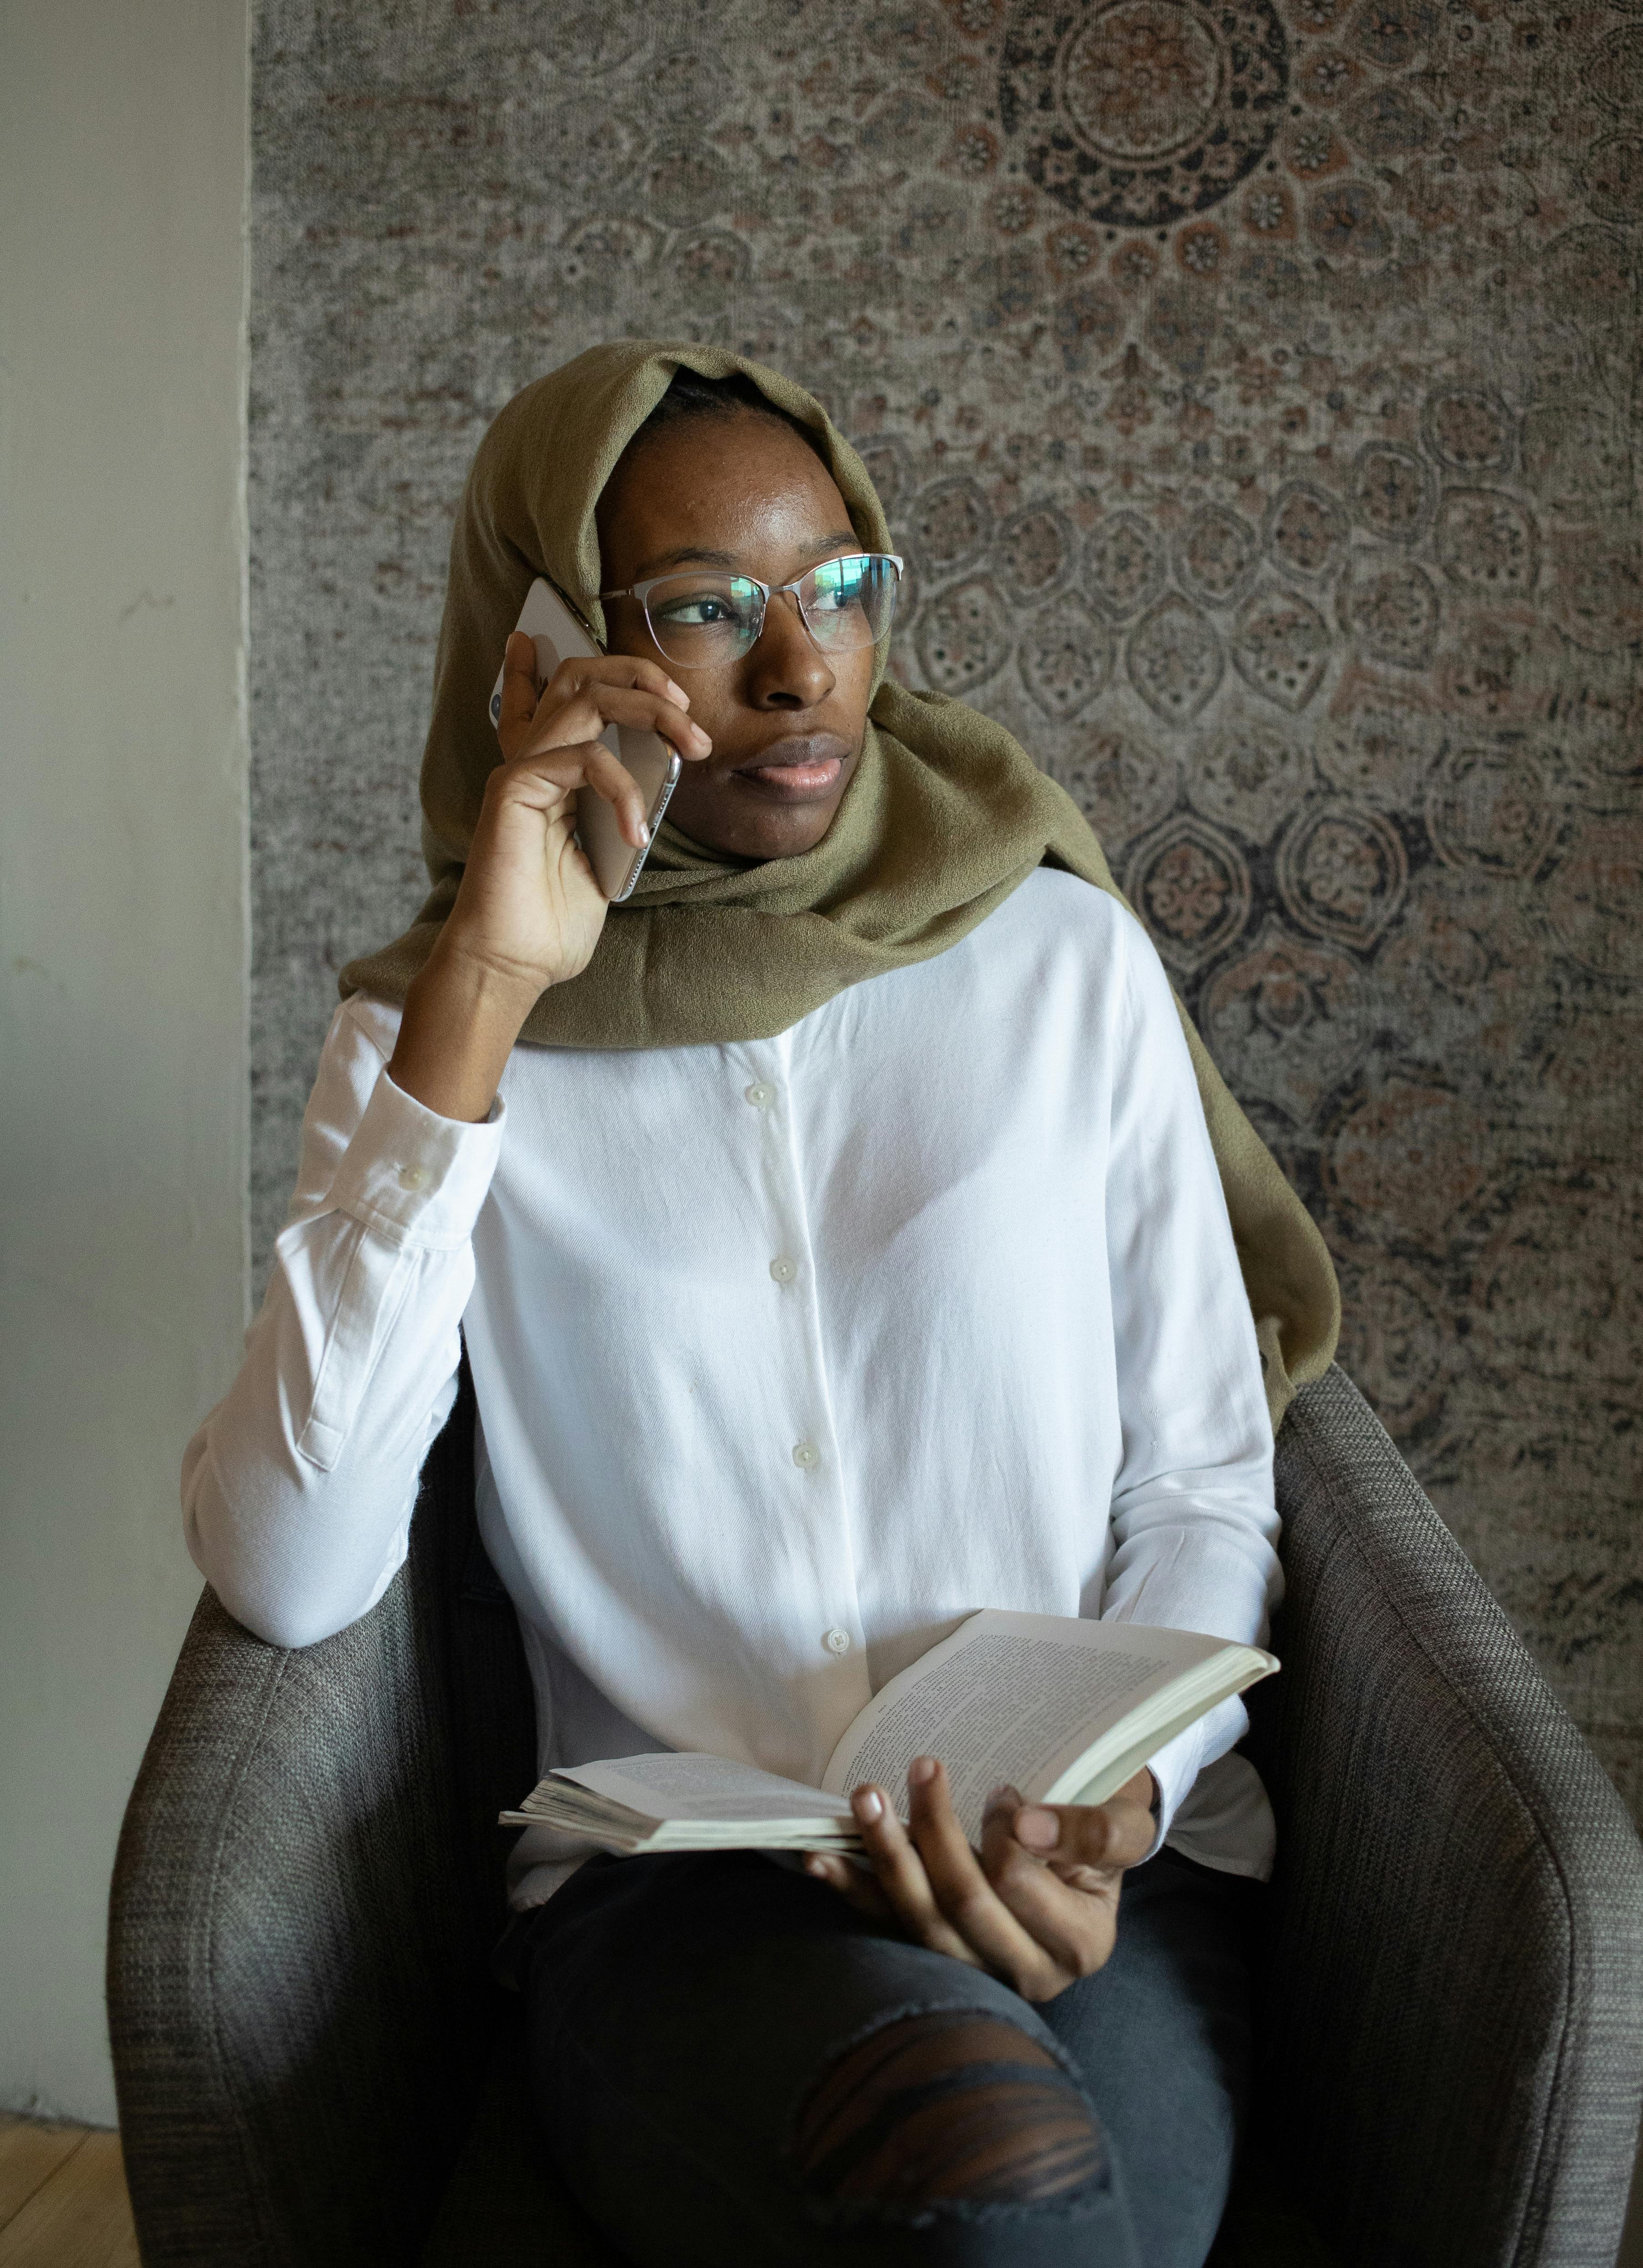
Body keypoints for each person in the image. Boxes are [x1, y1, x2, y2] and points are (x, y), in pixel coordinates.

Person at [183, 341, 1338, 2267]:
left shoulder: (1053, 961)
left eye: (839, 588)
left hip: (1074, 1874)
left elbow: (1202, 1488)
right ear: (542, 646)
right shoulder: (436, 1040)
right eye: (709, 612)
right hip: (686, 1917)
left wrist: (1115, 1803)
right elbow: (290, 1575)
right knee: (1007, 2202)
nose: (802, 672)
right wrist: (483, 987)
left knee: (1046, 2218)